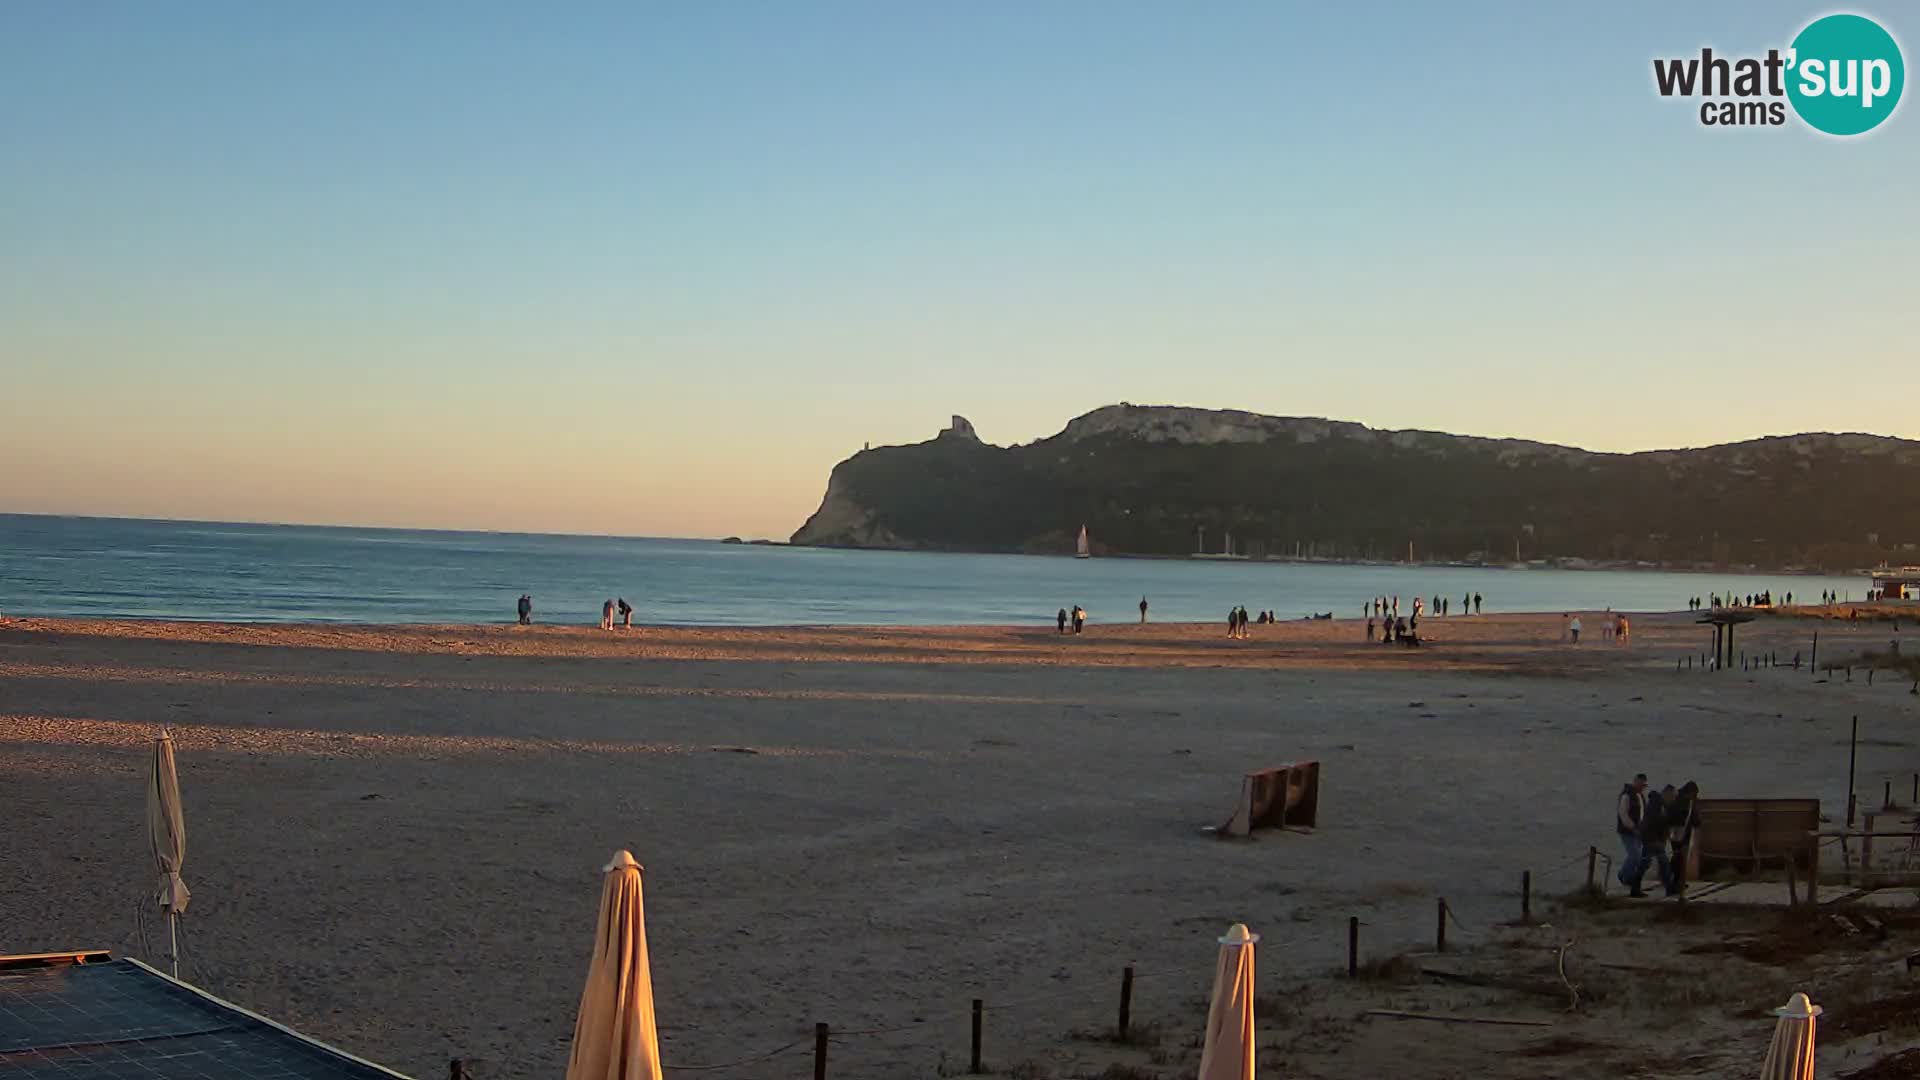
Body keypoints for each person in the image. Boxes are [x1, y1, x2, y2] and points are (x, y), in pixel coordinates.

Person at [1638, 784, 1674, 896]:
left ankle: (1635, 887)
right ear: (1666, 794)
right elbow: (1654, 822)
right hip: (1652, 838)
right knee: (1661, 863)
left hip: (1653, 838)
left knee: (1647, 863)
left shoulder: (1661, 805)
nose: (1672, 799)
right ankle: (1669, 888)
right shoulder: (1656, 804)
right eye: (1672, 796)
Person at [1616, 774, 1649, 896]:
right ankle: (1625, 876)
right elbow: (1623, 814)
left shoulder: (1640, 796)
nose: (1642, 787)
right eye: (1640, 784)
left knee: (1635, 855)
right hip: (1627, 831)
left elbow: (1643, 813)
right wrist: (1632, 827)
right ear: (1635, 782)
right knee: (1635, 856)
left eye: (1644, 785)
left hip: (1639, 831)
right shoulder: (1626, 795)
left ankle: (1624, 875)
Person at [1667, 781, 1701, 896]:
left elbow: (1692, 815)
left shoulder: (1685, 800)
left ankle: (1678, 881)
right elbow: (1689, 815)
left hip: (1681, 832)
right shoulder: (1679, 800)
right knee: (1679, 858)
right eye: (1694, 794)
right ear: (1690, 792)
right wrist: (1696, 823)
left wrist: (1696, 823)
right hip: (1678, 832)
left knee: (1679, 858)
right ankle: (1675, 881)